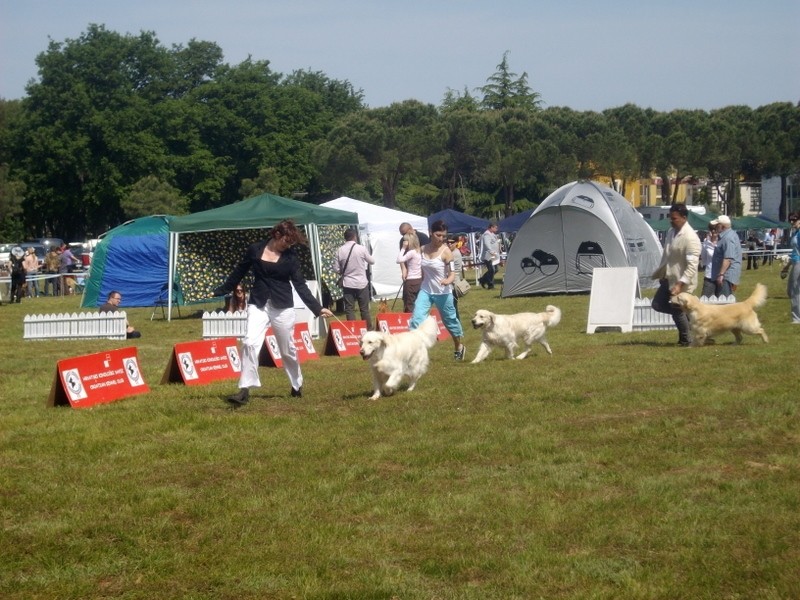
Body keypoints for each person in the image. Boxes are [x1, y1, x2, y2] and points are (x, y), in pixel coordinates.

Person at [212, 220, 334, 406]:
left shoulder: (290, 258)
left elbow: (300, 285)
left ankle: (296, 384)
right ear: (277, 234)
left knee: (287, 350)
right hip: (258, 303)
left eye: (291, 243)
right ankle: (244, 390)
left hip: (282, 306)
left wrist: (317, 308)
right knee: (249, 342)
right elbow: (240, 271)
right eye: (287, 241)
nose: (288, 245)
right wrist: (222, 289)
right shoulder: (255, 249)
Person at [409, 219, 466, 360]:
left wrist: (448, 280)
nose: (441, 239)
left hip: (443, 292)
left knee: (450, 322)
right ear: (430, 233)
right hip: (426, 290)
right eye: (438, 235)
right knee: (416, 319)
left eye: (443, 236)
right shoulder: (422, 249)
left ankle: (458, 346)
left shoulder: (446, 252)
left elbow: (453, 273)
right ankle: (414, 352)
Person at [650, 203, 701, 346]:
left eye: (674, 218)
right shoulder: (671, 232)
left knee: (676, 309)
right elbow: (667, 255)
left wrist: (680, 284)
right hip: (669, 277)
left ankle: (686, 340)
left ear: (684, 218)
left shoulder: (691, 238)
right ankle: (693, 321)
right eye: (670, 218)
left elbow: (692, 266)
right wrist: (662, 274)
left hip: (683, 281)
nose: (671, 221)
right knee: (657, 304)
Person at [333, 228, 375, 328]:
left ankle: (353, 329)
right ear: (354, 237)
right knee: (364, 309)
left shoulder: (340, 250)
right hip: (361, 282)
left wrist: (342, 272)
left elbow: (335, 268)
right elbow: (372, 261)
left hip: (348, 283)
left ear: (345, 238)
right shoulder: (361, 248)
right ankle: (368, 329)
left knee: (349, 308)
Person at [709, 215, 742, 297]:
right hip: (725, 275)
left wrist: (721, 275)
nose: (715, 227)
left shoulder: (728, 238)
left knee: (724, 301)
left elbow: (728, 258)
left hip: (726, 276)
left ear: (722, 226)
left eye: (717, 225)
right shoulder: (727, 236)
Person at [396, 231, 422, 313]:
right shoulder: (419, 251)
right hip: (419, 280)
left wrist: (403, 248)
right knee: (418, 304)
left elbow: (399, 260)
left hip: (411, 281)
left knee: (409, 305)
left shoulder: (411, 252)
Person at [781, 213, 800, 324]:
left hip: (799, 263)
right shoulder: (796, 233)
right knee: (793, 290)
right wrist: (786, 267)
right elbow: (794, 252)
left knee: (793, 290)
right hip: (795, 262)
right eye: (791, 220)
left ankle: (796, 318)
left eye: (794, 220)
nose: (792, 222)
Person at [478, 220, 500, 289]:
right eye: (496, 228)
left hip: (494, 255)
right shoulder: (486, 234)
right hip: (488, 255)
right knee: (492, 270)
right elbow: (487, 244)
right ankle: (490, 285)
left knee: (496, 269)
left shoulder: (492, 234)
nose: (497, 229)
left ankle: (482, 279)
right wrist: (491, 251)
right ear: (491, 227)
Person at [447, 235, 464, 318]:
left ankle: (456, 323)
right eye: (448, 242)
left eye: (452, 242)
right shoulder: (452, 252)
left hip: (453, 282)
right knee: (452, 306)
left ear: (456, 243)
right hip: (453, 280)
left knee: (453, 306)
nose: (450, 244)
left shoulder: (454, 254)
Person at [700, 224, 718, 297]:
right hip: (709, 275)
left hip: (722, 276)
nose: (713, 231)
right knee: (705, 299)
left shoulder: (722, 241)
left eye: (715, 229)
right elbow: (703, 256)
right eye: (711, 229)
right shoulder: (706, 242)